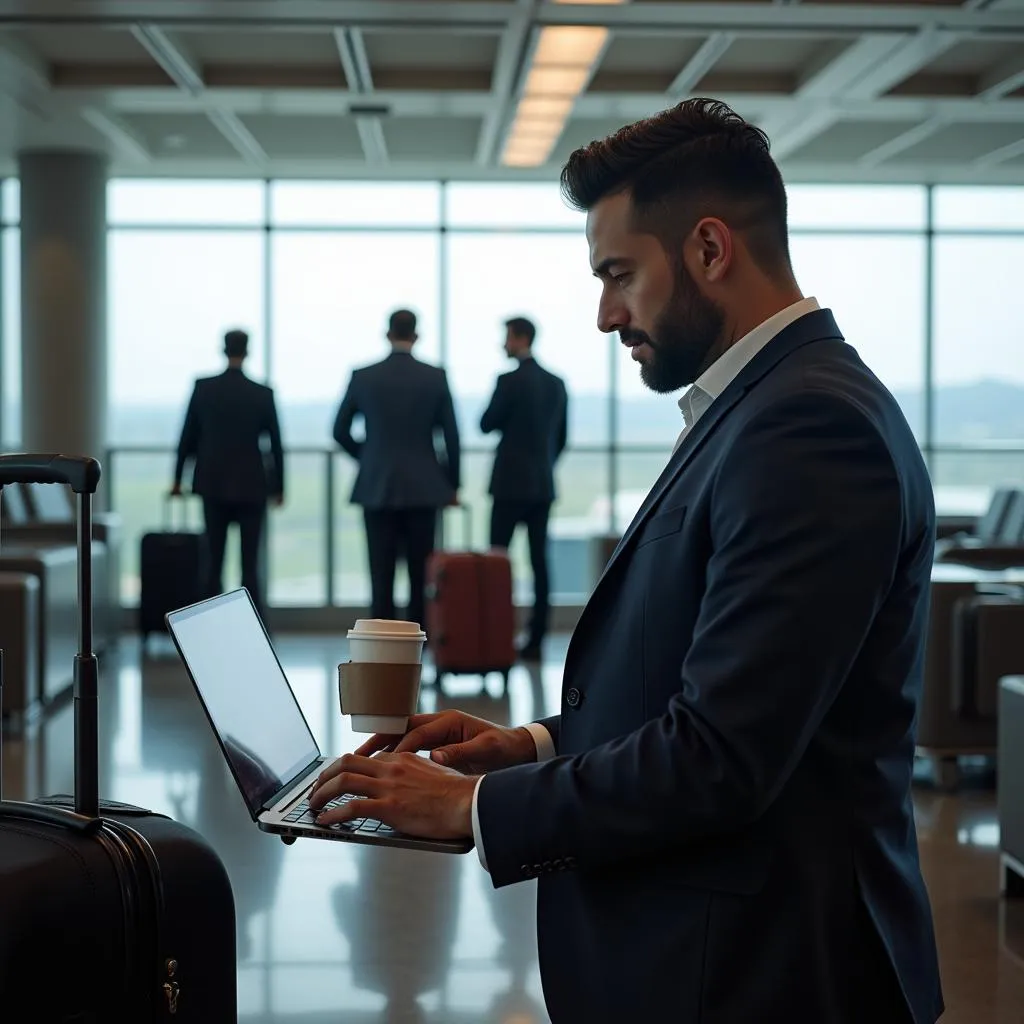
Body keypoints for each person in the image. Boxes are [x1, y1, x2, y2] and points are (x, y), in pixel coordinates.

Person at [309, 98, 943, 1023]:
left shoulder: (808, 427)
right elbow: (704, 687)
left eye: (619, 274)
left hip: (762, 972)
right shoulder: (758, 404)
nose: (607, 314)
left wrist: (470, 810)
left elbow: (722, 756)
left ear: (710, 249)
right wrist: (525, 749)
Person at [333, 309, 460, 629]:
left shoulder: (363, 375)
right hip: (424, 489)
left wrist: (368, 456)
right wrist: (451, 484)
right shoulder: (435, 376)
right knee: (421, 577)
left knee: (381, 575)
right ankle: (417, 650)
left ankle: (382, 650)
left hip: (377, 486)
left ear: (387, 334)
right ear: (416, 336)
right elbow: (451, 436)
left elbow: (339, 430)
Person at [171, 329, 284, 621]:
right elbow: (275, 444)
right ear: (247, 352)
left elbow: (187, 436)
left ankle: (211, 621)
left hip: (212, 483)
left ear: (223, 350)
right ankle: (254, 622)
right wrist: (279, 486)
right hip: (252, 486)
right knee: (250, 563)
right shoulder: (262, 393)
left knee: (213, 560)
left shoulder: (204, 388)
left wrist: (177, 477)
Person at [480, 317, 568, 661]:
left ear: (518, 338)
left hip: (508, 484)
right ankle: (536, 641)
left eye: (506, 338)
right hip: (541, 484)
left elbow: (487, 423)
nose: (503, 344)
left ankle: (493, 636)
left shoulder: (508, 381)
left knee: (497, 562)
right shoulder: (556, 384)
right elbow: (561, 439)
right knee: (539, 562)